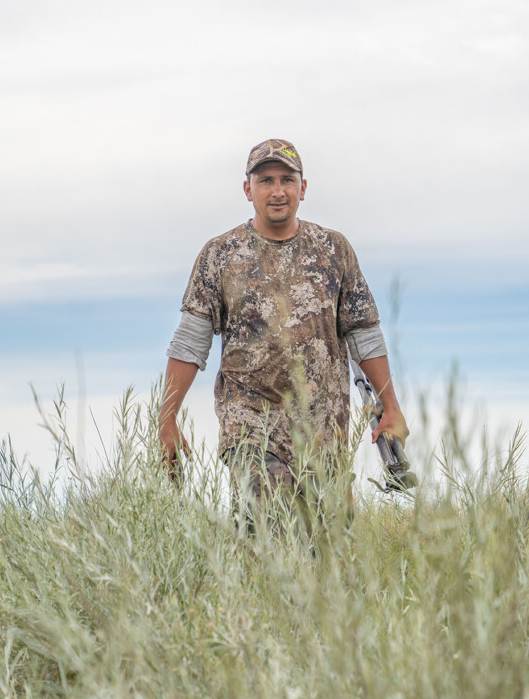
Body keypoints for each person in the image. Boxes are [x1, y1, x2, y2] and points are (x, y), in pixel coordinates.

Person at [159, 138, 408, 533]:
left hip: (324, 431)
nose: (277, 191)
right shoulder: (220, 255)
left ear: (303, 188)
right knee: (268, 536)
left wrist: (391, 406)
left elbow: (364, 335)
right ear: (248, 190)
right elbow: (190, 342)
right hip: (251, 430)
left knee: (330, 553)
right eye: (265, 181)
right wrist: (167, 418)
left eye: (287, 180)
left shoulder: (333, 250)